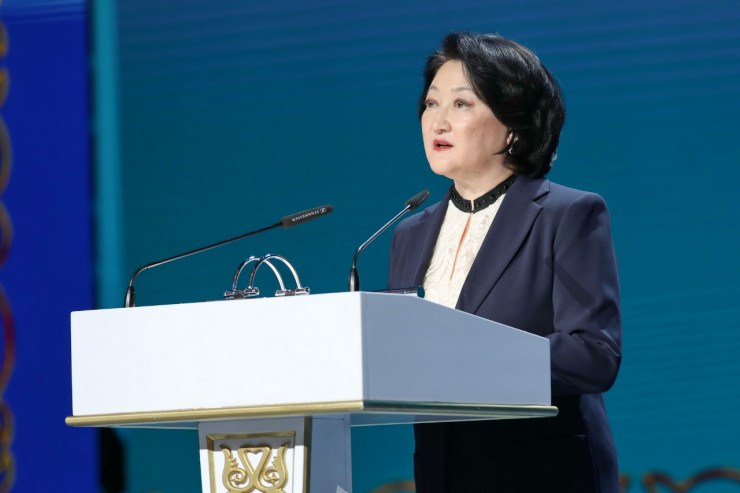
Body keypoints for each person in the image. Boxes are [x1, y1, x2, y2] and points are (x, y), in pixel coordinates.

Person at [387, 32, 622, 492]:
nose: (437, 121)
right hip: (443, 473)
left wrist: (468, 353)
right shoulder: (409, 233)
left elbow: (594, 356)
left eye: (461, 104)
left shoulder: (567, 214)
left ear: (513, 124)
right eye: (431, 104)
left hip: (542, 473)